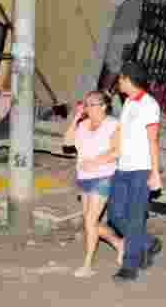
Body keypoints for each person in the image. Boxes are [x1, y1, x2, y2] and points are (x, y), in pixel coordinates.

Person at [107, 61, 163, 282]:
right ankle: (148, 243)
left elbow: (153, 141)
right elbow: (123, 134)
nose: (118, 82)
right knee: (115, 216)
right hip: (123, 168)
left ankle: (130, 266)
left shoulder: (150, 105)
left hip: (141, 169)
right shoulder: (129, 102)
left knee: (135, 217)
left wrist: (155, 172)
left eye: (120, 78)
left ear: (128, 79)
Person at [62, 90, 124, 278]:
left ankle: (87, 265)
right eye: (85, 104)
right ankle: (119, 243)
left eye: (91, 104)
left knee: (90, 221)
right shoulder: (83, 124)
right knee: (91, 222)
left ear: (103, 106)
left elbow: (118, 151)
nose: (86, 107)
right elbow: (67, 142)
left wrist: (95, 161)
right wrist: (75, 119)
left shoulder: (113, 125)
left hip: (103, 176)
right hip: (84, 178)